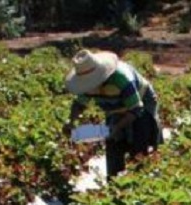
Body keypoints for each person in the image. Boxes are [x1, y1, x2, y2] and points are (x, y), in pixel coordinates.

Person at [62, 49, 162, 179]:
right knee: (113, 142)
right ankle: (115, 181)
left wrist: (117, 127)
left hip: (142, 99)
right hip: (114, 106)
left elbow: (136, 109)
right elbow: (79, 104)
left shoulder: (121, 79)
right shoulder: (86, 85)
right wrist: (71, 121)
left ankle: (141, 177)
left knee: (140, 140)